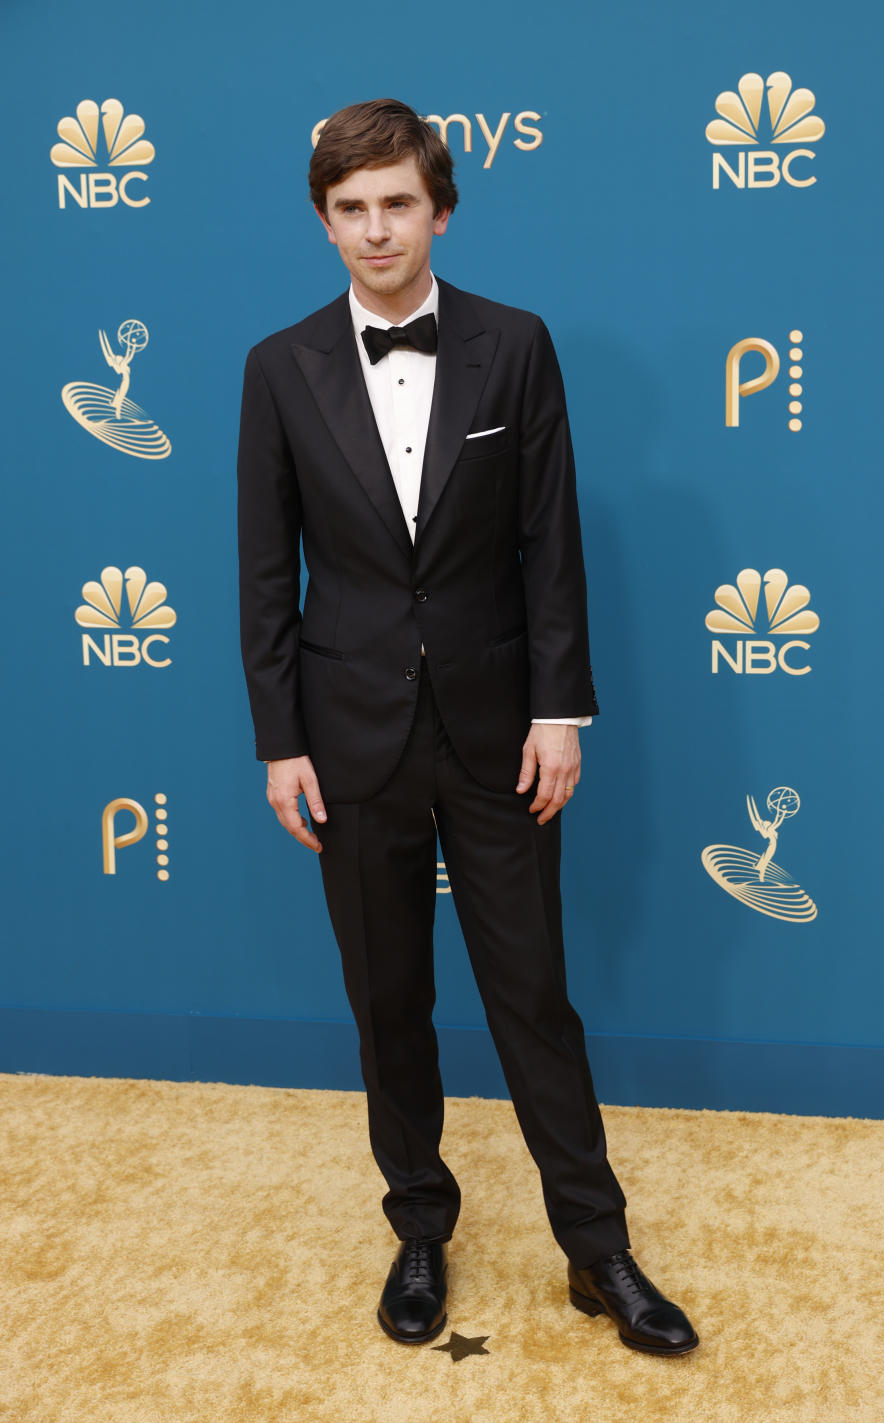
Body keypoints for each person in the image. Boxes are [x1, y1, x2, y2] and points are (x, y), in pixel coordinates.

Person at [237, 98, 698, 1356]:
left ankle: (597, 1250)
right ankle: (421, 1227)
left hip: (503, 731)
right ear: (325, 219)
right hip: (348, 734)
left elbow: (550, 539)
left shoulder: (516, 344)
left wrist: (561, 709)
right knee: (389, 1000)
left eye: (398, 203)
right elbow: (265, 571)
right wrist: (282, 739)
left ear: (440, 208)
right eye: (351, 208)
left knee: (534, 995)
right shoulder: (278, 368)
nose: (377, 229)